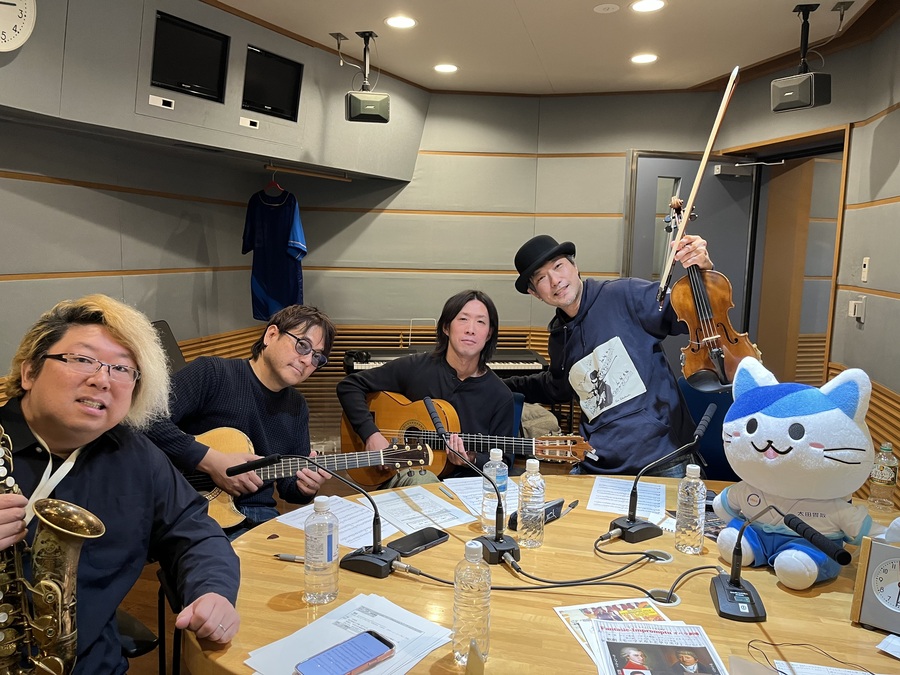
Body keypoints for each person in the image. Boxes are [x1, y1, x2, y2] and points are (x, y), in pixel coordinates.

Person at [0, 294, 239, 674]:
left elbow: (194, 532)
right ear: (29, 372)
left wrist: (213, 591)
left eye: (123, 369)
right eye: (82, 359)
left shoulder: (136, 455)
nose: (102, 379)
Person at [506, 234, 713, 477]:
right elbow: (558, 387)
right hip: (599, 463)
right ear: (535, 293)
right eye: (541, 278)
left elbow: (692, 314)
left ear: (575, 266)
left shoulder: (624, 294)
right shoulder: (559, 338)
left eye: (558, 266)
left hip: (663, 458)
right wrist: (502, 385)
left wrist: (703, 272)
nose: (555, 281)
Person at [145, 304, 335, 536]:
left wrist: (306, 487)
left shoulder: (297, 407)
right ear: (271, 335)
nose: (307, 360)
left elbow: (289, 489)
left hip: (260, 517)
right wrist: (211, 461)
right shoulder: (212, 373)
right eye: (302, 345)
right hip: (192, 511)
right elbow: (146, 419)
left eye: (317, 357)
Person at [337, 289, 515, 486]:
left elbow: (504, 461)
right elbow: (349, 386)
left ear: (489, 333)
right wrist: (371, 434)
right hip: (404, 477)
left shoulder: (500, 395)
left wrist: (471, 459)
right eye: (463, 319)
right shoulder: (416, 367)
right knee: (423, 479)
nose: (470, 329)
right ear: (446, 327)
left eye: (480, 322)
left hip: (466, 488)